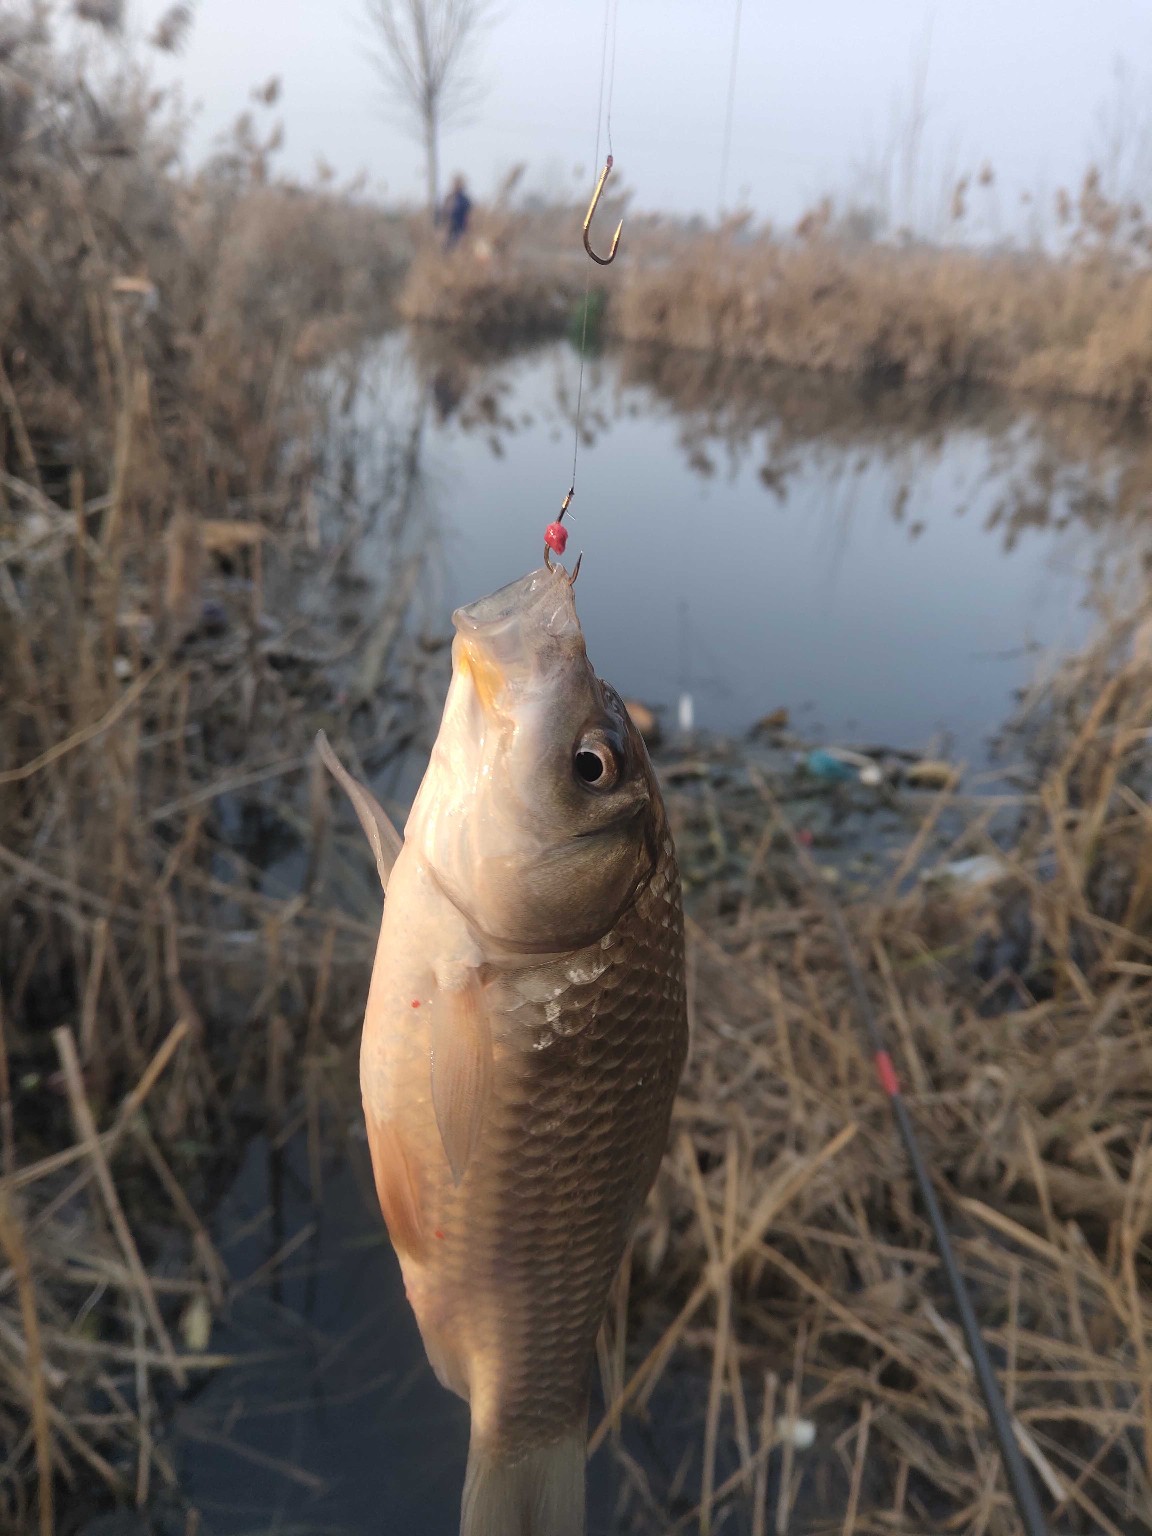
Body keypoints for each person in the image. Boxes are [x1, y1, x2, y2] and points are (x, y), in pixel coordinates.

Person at [440, 174, 472, 250]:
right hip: (449, 227)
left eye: (459, 184)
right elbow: (444, 212)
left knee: (458, 246)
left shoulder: (465, 199)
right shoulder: (449, 198)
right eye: (456, 183)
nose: (457, 186)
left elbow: (469, 213)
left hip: (461, 228)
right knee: (447, 246)